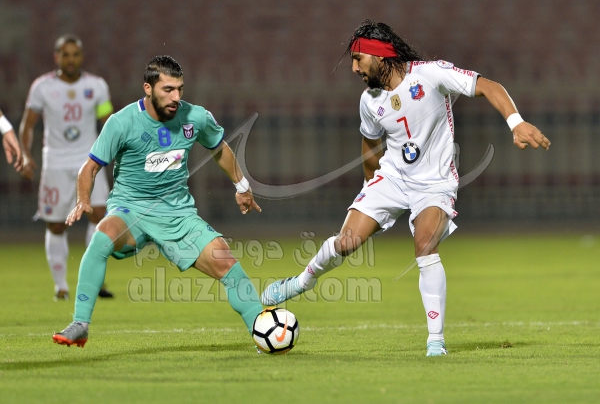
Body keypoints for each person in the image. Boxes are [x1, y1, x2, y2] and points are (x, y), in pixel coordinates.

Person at [261, 19, 551, 356]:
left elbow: (488, 86)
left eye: (358, 59)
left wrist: (516, 123)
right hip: (393, 178)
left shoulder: (430, 74)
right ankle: (300, 282)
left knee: (425, 245)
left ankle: (435, 341)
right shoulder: (369, 101)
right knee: (346, 242)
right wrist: (370, 188)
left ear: (379, 55)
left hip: (435, 184)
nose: (354, 68)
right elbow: (370, 145)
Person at [52, 55, 264, 349]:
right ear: (148, 88)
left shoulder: (195, 117)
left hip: (177, 213)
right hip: (131, 210)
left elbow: (219, 148)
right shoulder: (122, 122)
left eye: (179, 89)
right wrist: (83, 199)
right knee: (101, 237)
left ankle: (264, 330)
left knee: (226, 263)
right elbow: (89, 168)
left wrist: (241, 185)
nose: (176, 97)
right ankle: (80, 324)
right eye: (168, 90)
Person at [19, 34, 114, 300]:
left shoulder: (97, 86)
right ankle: (61, 286)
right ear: (57, 57)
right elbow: (28, 124)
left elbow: (108, 122)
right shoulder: (42, 87)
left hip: (90, 159)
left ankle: (94, 281)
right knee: (56, 225)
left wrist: (114, 150)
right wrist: (25, 154)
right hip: (56, 163)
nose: (70, 59)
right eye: (65, 54)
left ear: (82, 57)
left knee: (99, 216)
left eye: (75, 54)